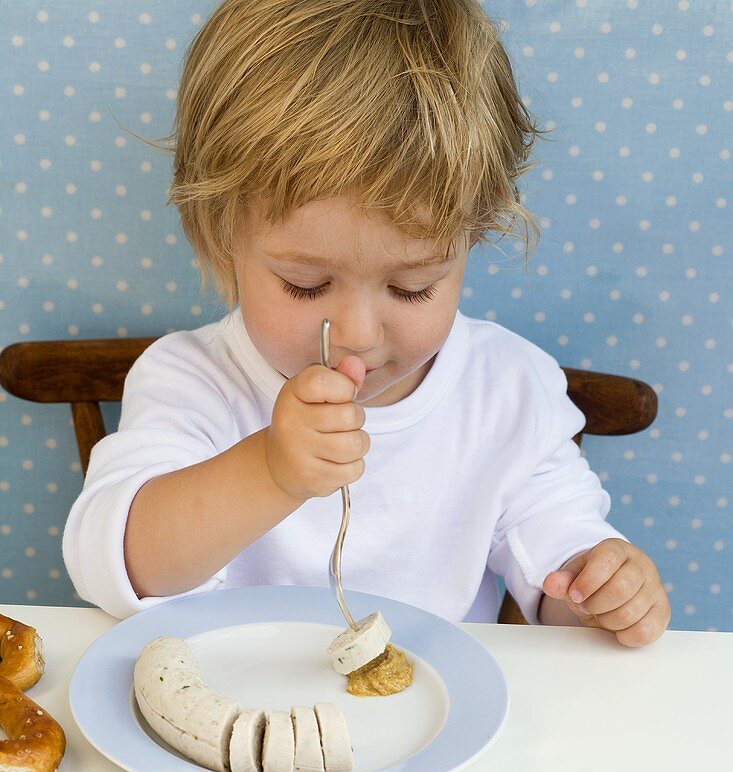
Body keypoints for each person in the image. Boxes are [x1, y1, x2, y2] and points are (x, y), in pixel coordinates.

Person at [63, 0, 670, 646]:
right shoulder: (191, 382)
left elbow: (557, 568)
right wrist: (268, 470)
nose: (356, 333)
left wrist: (598, 587)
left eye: (412, 288)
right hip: (232, 724)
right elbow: (112, 563)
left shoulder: (508, 389)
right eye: (306, 284)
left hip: (435, 727)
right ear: (221, 242)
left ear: (470, 240)